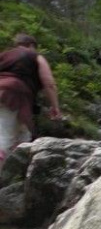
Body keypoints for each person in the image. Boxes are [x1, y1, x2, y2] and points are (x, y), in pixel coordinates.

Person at [0, 34, 62, 172]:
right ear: (32, 46)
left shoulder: (4, 55)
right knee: (4, 137)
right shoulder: (35, 56)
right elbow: (49, 83)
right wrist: (55, 107)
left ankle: (12, 175)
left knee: (24, 135)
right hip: (15, 95)